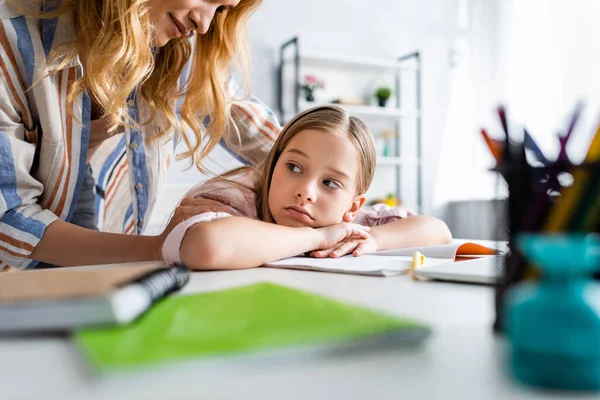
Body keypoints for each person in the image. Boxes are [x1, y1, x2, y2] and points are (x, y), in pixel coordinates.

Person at [0, 0, 280, 271]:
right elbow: (8, 217)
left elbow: (245, 122)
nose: (204, 25)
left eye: (220, 9)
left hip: (78, 189)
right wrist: (160, 248)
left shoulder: (174, 50)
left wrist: (319, 185)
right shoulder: (10, 40)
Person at [162, 106, 453, 270]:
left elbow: (438, 231)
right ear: (273, 166)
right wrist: (317, 238)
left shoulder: (350, 228)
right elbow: (206, 245)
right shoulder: (238, 201)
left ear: (353, 206)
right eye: (294, 168)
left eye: (330, 183)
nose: (306, 192)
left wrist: (375, 239)